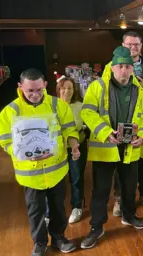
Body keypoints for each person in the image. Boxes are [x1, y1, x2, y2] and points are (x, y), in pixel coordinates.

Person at [0, 68, 79, 256]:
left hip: (57, 170)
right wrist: (21, 153)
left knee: (58, 207)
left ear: (45, 85)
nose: (35, 95)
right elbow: (5, 141)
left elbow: (70, 130)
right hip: (29, 174)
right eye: (29, 91)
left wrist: (74, 145)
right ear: (20, 87)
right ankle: (39, 243)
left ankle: (58, 238)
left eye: (38, 90)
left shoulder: (58, 106)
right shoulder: (10, 112)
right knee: (35, 211)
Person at [80, 46, 143, 249]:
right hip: (106, 147)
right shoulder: (98, 87)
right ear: (112, 68)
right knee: (101, 190)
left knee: (129, 186)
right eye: (120, 66)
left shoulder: (139, 89)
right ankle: (96, 227)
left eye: (128, 67)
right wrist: (105, 132)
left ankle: (129, 216)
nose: (124, 71)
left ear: (132, 69)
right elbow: (87, 112)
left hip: (130, 147)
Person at [106, 31, 143, 214]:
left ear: (141, 46)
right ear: (123, 44)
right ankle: (120, 198)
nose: (133, 48)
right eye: (129, 44)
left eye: (136, 44)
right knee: (120, 164)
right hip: (120, 123)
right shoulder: (111, 65)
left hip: (142, 121)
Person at [57, 76, 89, 224]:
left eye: (70, 88)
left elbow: (87, 126)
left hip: (77, 147)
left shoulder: (80, 106)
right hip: (58, 150)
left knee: (76, 177)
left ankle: (77, 206)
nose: (66, 91)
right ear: (58, 90)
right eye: (63, 88)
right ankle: (55, 210)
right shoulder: (53, 106)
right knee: (58, 181)